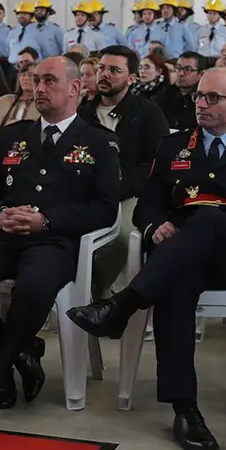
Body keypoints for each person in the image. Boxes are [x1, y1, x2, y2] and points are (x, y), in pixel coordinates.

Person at [67, 67, 226, 450]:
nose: (201, 104)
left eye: (212, 98)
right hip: (176, 256)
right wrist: (154, 225)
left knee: (206, 216)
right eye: (199, 97)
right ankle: (185, 409)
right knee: (176, 281)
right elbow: (148, 203)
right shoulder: (173, 146)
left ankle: (123, 304)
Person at [0, 56, 120, 409]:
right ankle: (21, 349)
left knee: (32, 289)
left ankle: (0, 369)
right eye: (36, 80)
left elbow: (104, 210)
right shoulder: (15, 135)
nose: (39, 88)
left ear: (75, 88)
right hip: (1, 235)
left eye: (49, 81)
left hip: (54, 241)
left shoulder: (99, 142)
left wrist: (46, 219)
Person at [78, 46, 168, 297]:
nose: (105, 75)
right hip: (86, 192)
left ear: (132, 78)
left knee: (122, 235)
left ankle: (96, 289)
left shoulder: (148, 112)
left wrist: (117, 189)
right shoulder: (82, 114)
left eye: (115, 70)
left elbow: (153, 164)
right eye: (102, 69)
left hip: (132, 193)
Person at [152, 52, 203, 130]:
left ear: (200, 74)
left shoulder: (203, 99)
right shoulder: (162, 96)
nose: (181, 73)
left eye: (188, 69)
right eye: (178, 68)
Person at [0, 64, 40, 131]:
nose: (25, 78)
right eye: (23, 75)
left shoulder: (42, 105)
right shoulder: (4, 100)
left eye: (30, 75)